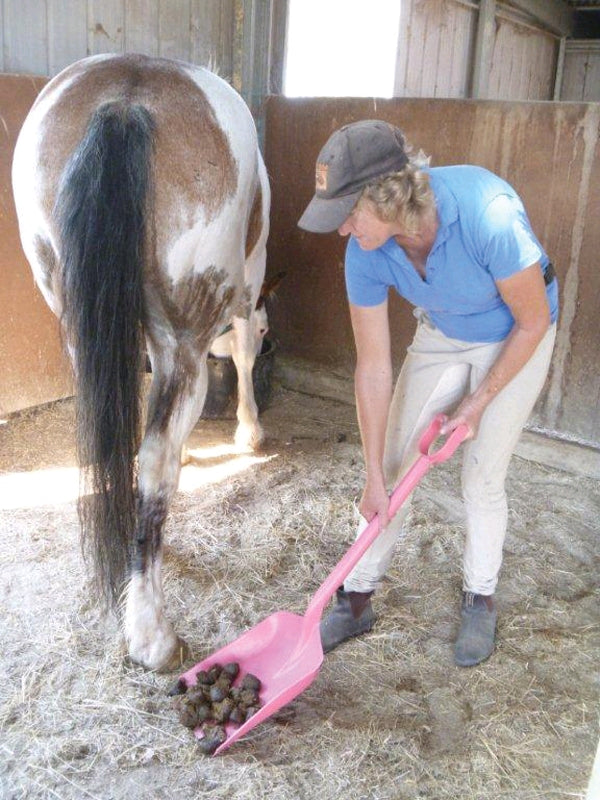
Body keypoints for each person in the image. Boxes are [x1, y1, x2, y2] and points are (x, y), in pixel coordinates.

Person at [297, 119, 558, 667]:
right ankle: (358, 594)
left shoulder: (487, 213)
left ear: (386, 195)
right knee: (392, 466)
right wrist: (372, 472)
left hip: (516, 332)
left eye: (348, 213)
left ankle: (480, 596)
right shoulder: (366, 250)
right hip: (442, 329)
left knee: (482, 475)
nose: (343, 231)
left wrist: (477, 403)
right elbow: (372, 365)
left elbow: (532, 321)